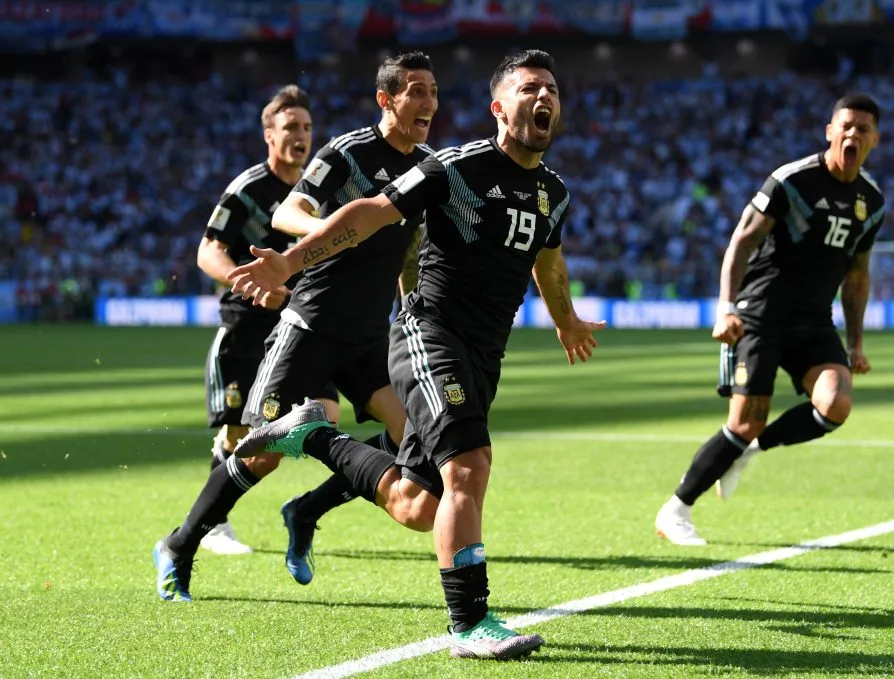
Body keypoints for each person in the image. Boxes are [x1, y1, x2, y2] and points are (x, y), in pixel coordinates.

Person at [229, 50, 605, 660]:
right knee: (470, 465)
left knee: (417, 505)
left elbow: (548, 262)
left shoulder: (552, 193)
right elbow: (369, 214)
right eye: (530, 88)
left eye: (553, 91)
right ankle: (471, 625)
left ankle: (314, 437)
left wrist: (565, 321)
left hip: (485, 353)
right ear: (498, 107)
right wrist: (290, 262)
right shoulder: (454, 168)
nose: (545, 98)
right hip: (429, 334)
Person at [153, 53, 439, 602]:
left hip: (368, 339)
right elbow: (288, 213)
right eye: (415, 91)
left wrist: (412, 318)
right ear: (387, 100)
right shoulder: (347, 154)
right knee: (261, 450)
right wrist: (340, 229)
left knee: (416, 442)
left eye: (432, 91)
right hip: (310, 324)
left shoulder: (424, 168)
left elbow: (409, 256)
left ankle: (307, 509)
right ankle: (180, 544)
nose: (428, 102)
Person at [654, 93, 886, 546]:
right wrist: (727, 306)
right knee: (742, 423)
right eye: (846, 126)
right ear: (829, 132)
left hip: (814, 320)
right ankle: (676, 509)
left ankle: (750, 451)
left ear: (874, 139)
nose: (853, 134)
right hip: (760, 314)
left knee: (836, 404)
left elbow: (857, 277)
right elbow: (741, 241)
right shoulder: (793, 180)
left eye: (863, 128)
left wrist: (856, 343)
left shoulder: (871, 202)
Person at [187, 84, 338, 557]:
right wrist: (251, 283)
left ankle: (305, 508)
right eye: (291, 127)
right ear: (269, 136)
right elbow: (207, 250)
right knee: (235, 434)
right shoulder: (248, 188)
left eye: (307, 128)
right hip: (245, 332)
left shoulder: (317, 190)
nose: (301, 136)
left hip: (295, 329)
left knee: (322, 417)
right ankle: (212, 525)